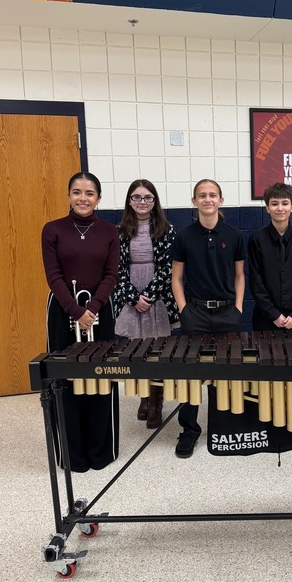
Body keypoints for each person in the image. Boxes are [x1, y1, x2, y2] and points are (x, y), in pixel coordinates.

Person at [41, 172, 120, 472]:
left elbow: (111, 274)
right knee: (65, 379)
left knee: (102, 374)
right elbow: (53, 276)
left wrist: (94, 308)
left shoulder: (109, 231)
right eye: (77, 192)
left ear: (98, 198)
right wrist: (76, 311)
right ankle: (72, 455)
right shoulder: (52, 230)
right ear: (68, 195)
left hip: (100, 310)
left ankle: (101, 451)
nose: (83, 198)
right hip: (63, 311)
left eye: (89, 193)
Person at [170, 179, 245, 458]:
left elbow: (239, 276)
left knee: (226, 373)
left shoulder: (235, 235)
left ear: (221, 200)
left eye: (212, 195)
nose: (207, 199)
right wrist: (184, 309)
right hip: (196, 314)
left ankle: (225, 426)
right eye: (202, 195)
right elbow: (176, 278)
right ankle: (189, 430)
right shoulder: (184, 236)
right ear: (194, 201)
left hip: (227, 314)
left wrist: (237, 308)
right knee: (191, 375)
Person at [115, 179, 179, 429]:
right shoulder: (120, 231)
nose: (142, 202)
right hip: (131, 294)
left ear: (155, 202)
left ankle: (156, 400)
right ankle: (143, 396)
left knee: (157, 351)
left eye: (147, 197)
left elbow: (168, 268)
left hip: (158, 296)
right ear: (129, 201)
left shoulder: (167, 229)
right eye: (137, 197)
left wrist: (148, 296)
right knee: (136, 350)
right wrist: (133, 297)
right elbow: (117, 269)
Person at [248, 182, 292, 331]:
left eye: (285, 203)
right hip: (265, 319)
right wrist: (273, 314)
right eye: (274, 204)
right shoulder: (256, 239)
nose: (280, 208)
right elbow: (256, 282)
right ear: (267, 208)